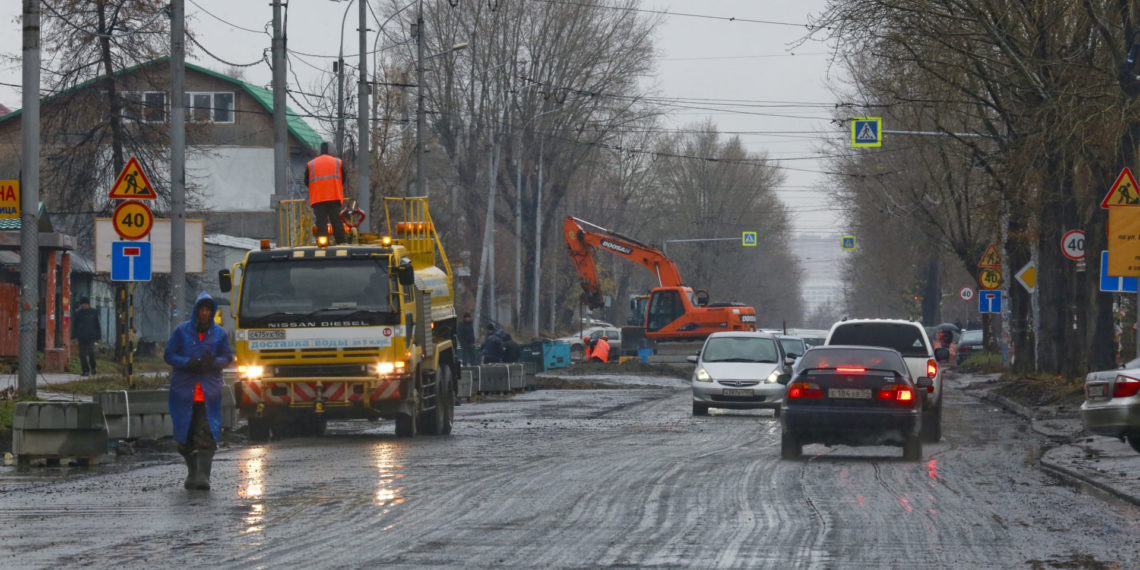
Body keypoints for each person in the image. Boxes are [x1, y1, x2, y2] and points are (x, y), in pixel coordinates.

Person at [164, 291, 234, 491]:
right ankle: (192, 472)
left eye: (208, 310)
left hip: (208, 393)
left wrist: (214, 362)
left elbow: (227, 357)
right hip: (184, 392)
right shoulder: (182, 331)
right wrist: (188, 362)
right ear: (196, 310)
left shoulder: (219, 334)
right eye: (202, 309)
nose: (204, 313)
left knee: (206, 433)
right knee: (185, 434)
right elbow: (169, 354)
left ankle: (203, 475)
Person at [305, 142, 348, 245]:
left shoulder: (311, 164)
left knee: (321, 222)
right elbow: (343, 178)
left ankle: (322, 242)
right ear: (331, 151)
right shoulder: (338, 162)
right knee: (336, 220)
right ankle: (341, 242)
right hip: (334, 196)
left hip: (318, 198)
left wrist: (317, 188)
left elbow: (306, 181)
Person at [70, 297, 101, 376]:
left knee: (91, 352)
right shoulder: (78, 313)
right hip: (81, 336)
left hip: (91, 336)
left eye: (84, 304)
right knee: (82, 354)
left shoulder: (93, 312)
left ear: (88, 304)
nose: (83, 305)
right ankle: (85, 370)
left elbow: (97, 324)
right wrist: (73, 337)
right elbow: (75, 325)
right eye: (82, 304)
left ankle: (93, 367)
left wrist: (98, 337)